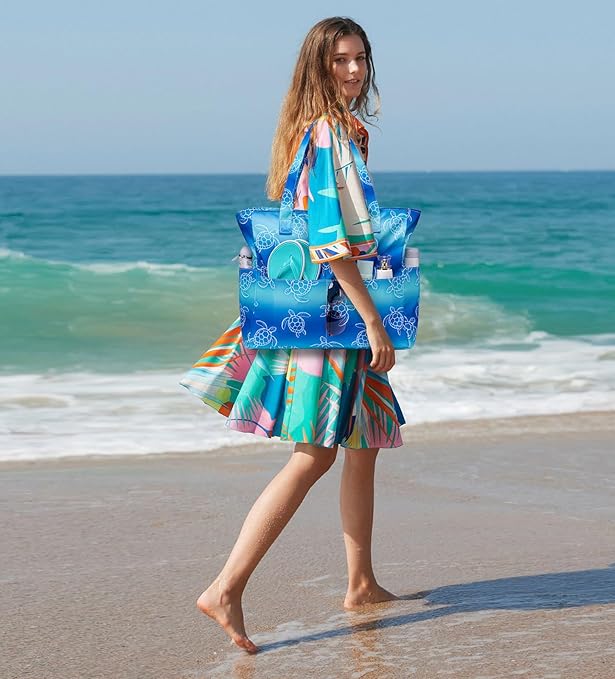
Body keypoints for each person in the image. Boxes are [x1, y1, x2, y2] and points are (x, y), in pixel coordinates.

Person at [180, 16, 407, 654]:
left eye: (361, 58)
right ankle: (225, 587)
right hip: (332, 314)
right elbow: (330, 240)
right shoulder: (329, 132)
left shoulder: (327, 129)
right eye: (341, 60)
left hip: (324, 309)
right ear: (318, 66)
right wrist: (372, 317)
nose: (355, 70)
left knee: (364, 436)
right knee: (316, 452)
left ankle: (360, 582)